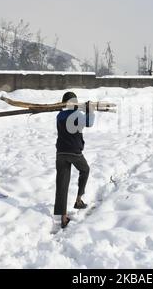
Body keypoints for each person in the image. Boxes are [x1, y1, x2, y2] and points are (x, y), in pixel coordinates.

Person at [54, 92, 95, 228]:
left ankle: (63, 217)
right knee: (85, 170)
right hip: (74, 152)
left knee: (62, 184)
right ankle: (78, 200)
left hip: (60, 152)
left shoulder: (59, 115)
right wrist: (90, 110)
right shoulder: (78, 115)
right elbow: (89, 123)